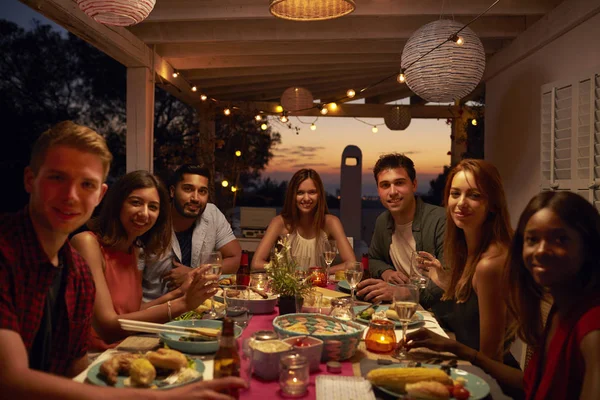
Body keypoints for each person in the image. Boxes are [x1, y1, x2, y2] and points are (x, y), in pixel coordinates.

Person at [0, 121, 244, 399]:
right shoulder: (11, 252)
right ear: (30, 179)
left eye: (86, 184)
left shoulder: (75, 267)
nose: (71, 196)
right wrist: (161, 396)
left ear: (100, 195)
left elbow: (75, 365)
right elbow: (10, 380)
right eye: (57, 178)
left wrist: (180, 294)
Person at [405, 191, 600, 399]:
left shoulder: (592, 327)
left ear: (588, 245)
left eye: (560, 239)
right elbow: (530, 384)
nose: (541, 250)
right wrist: (456, 348)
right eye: (532, 239)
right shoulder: (562, 308)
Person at [71, 171, 219, 351]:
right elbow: (107, 328)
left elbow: (132, 312)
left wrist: (179, 292)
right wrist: (184, 303)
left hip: (127, 348)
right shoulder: (87, 243)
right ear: (117, 204)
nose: (144, 213)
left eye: (153, 207)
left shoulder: (136, 251)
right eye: (136, 203)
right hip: (92, 358)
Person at [427, 159, 516, 366]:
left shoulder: (490, 264)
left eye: (474, 195)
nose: (461, 203)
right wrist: (444, 280)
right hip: (470, 367)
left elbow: (490, 358)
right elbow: (471, 304)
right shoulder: (468, 251)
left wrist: (448, 346)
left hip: (489, 382)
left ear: (493, 204)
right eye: (455, 193)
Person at [142, 164, 241, 301]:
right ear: (172, 191)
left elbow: (235, 257)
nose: (195, 198)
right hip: (152, 309)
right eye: (188, 189)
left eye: (202, 191)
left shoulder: (212, 214)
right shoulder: (152, 217)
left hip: (197, 307)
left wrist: (194, 274)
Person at [357, 153, 446, 304]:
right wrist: (387, 272)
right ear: (378, 190)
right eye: (385, 185)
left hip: (440, 315)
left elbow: (449, 281)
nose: (392, 192)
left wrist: (403, 292)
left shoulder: (440, 220)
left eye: (399, 183)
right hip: (402, 309)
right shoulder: (382, 221)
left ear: (414, 184)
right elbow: (374, 259)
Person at [252, 168, 354, 271]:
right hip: (287, 286)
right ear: (292, 195)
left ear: (319, 195)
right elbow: (256, 263)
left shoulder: (331, 222)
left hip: (319, 285)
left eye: (312, 192)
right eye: (300, 193)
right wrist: (284, 271)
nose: (306, 198)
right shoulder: (279, 222)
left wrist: (321, 273)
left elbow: (352, 264)